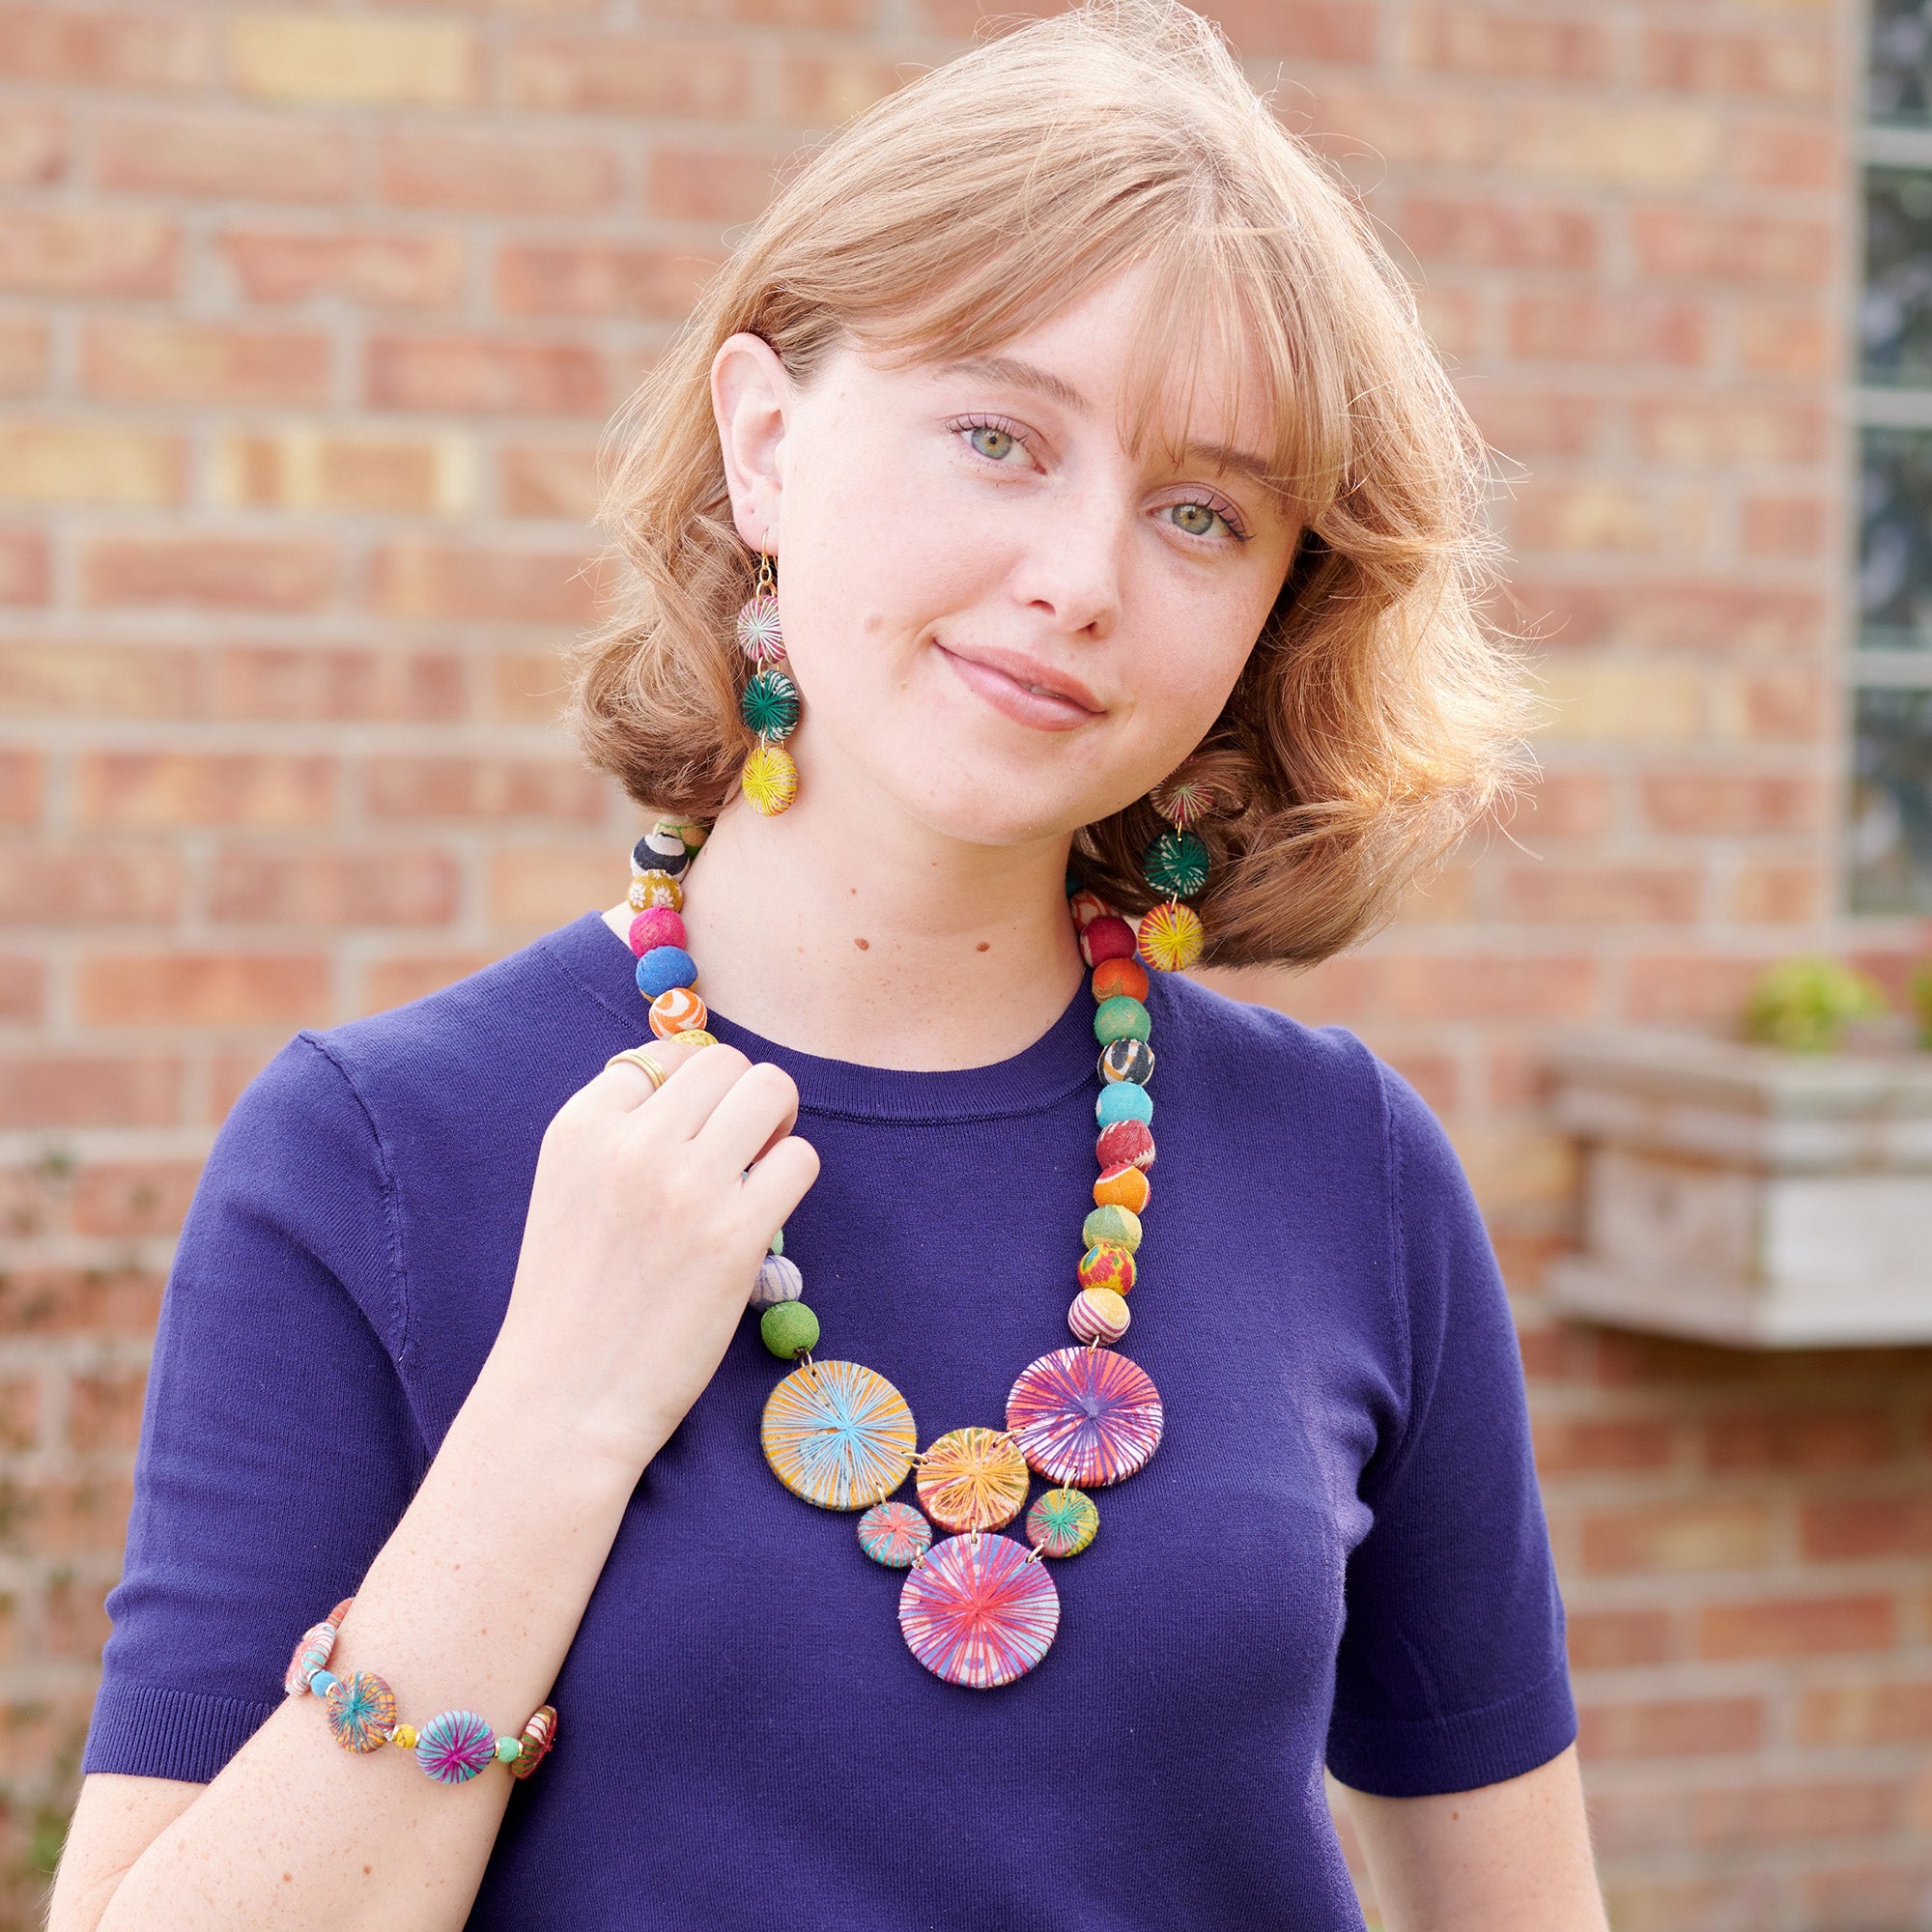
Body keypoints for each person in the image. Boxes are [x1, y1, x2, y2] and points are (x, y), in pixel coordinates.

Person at [48, 3, 1606, 1926]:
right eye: (998, 437)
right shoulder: (373, 1152)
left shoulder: (1346, 1167)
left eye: (1201, 511)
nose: (1081, 576)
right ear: (766, 444)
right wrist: (554, 1420)